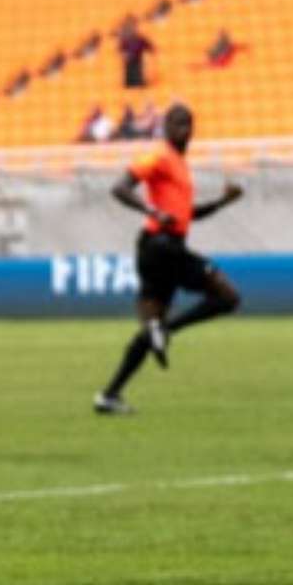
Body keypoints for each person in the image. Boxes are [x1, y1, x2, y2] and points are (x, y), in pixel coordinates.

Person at [95, 103, 243, 416]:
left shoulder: (179, 165)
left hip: (162, 249)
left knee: (150, 329)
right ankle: (166, 330)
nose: (184, 130)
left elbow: (187, 216)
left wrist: (222, 202)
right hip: (161, 248)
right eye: (177, 124)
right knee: (227, 297)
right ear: (165, 127)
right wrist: (150, 210)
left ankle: (109, 395)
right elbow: (120, 187)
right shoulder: (160, 156)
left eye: (188, 124)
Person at [118, 16, 155, 90]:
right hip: (128, 60)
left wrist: (151, 49)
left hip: (137, 59)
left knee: (137, 71)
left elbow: (148, 46)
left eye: (133, 26)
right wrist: (124, 55)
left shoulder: (140, 39)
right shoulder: (125, 40)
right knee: (129, 73)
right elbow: (121, 49)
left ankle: (138, 83)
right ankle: (130, 84)